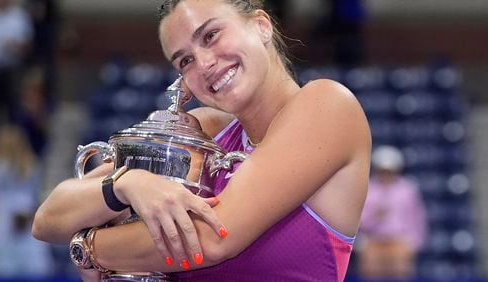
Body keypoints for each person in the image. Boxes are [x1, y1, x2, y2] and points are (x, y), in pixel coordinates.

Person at [32, 0, 371, 281]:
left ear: (261, 25)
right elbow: (49, 218)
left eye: (210, 36)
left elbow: (212, 238)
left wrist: (89, 248)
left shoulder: (327, 105)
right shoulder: (204, 131)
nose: (204, 64)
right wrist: (125, 183)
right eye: (185, 60)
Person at [0, 124, 54, 277]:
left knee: (24, 265)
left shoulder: (31, 166)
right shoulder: (0, 169)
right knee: (11, 266)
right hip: (7, 225)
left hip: (22, 223)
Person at [358, 145, 427, 280]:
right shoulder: (367, 189)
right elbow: (359, 221)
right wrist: (374, 217)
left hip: (400, 240)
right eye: (383, 170)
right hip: (373, 240)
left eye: (390, 170)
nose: (386, 174)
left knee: (401, 274)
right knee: (372, 274)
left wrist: (414, 242)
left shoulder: (407, 190)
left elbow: (417, 217)